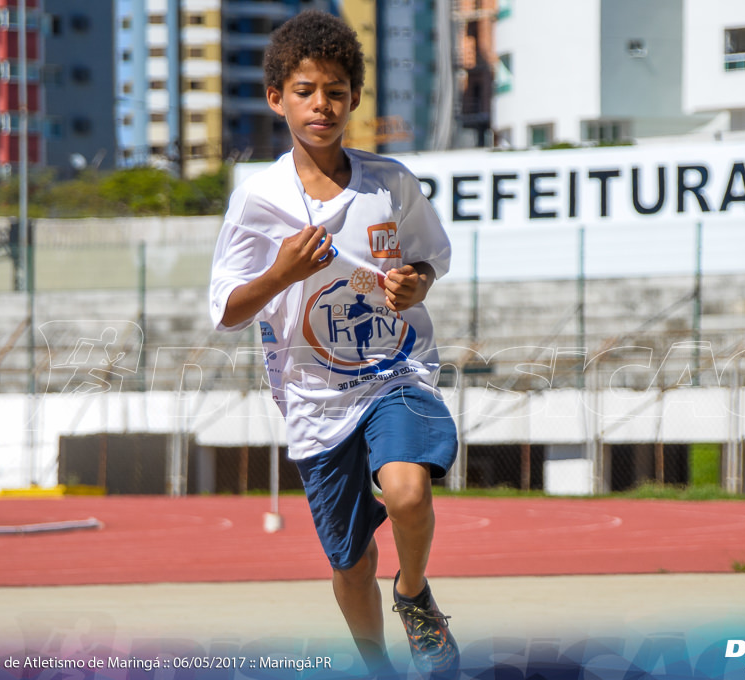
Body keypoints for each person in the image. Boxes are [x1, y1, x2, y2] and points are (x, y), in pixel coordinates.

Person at [208, 10, 460, 678]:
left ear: (354, 98)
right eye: (306, 90)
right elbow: (227, 309)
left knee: (408, 493)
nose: (323, 104)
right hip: (316, 400)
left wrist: (417, 284)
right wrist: (282, 273)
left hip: (393, 374)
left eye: (337, 91)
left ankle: (414, 597)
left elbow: (432, 259)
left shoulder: (390, 181)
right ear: (276, 98)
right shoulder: (258, 200)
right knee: (351, 563)